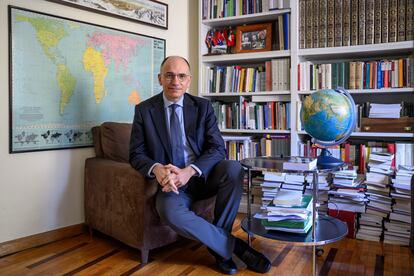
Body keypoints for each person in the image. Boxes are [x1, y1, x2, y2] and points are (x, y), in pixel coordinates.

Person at [129, 56, 271, 274]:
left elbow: (217, 148)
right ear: (160, 78)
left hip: (201, 177)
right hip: (171, 184)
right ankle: (230, 248)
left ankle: (219, 247)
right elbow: (136, 153)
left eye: (181, 76)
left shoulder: (202, 107)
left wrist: (189, 171)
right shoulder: (144, 110)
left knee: (233, 168)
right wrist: (157, 169)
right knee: (167, 210)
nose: (175, 81)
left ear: (189, 81)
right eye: (169, 75)